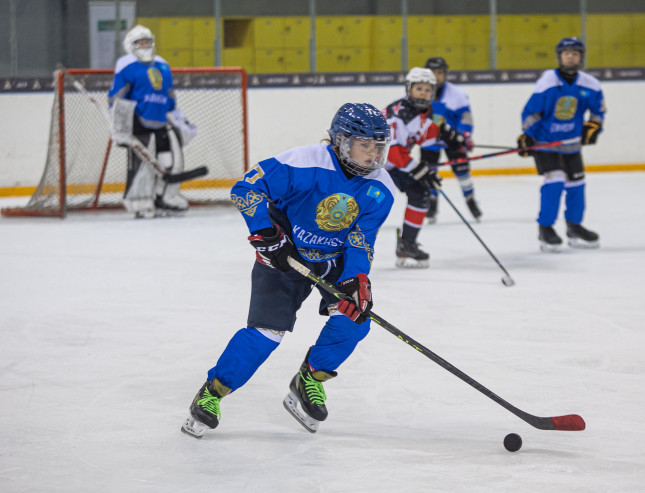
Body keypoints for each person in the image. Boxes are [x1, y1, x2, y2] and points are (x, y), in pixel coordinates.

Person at [181, 103, 394, 437]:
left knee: (354, 317)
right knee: (265, 335)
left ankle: (310, 377)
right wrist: (266, 235)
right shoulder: (303, 162)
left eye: (378, 145)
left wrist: (357, 277)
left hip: (332, 261)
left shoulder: (381, 188)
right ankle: (212, 393)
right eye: (364, 144)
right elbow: (246, 189)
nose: (373, 153)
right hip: (283, 254)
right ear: (340, 140)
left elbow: (360, 239)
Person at [517, 37, 605, 252]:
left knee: (577, 185)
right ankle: (545, 228)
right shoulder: (547, 81)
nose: (571, 56)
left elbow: (598, 111)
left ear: (581, 57)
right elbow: (530, 112)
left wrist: (594, 126)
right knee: (555, 182)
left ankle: (574, 226)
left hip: (571, 144)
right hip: (545, 143)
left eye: (575, 53)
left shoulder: (590, 84)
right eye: (567, 53)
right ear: (560, 57)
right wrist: (528, 135)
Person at [108, 25, 196, 218]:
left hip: (162, 122)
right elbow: (118, 97)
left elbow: (170, 95)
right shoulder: (127, 65)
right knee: (142, 166)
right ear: (131, 45)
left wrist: (178, 119)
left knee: (169, 161)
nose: (145, 45)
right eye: (140, 42)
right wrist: (119, 124)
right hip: (138, 123)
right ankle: (139, 202)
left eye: (147, 41)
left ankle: (163, 197)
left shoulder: (163, 65)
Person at [384, 67, 467, 268]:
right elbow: (393, 150)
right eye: (419, 88)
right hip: (375, 166)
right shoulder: (398, 113)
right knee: (368, 206)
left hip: (393, 165)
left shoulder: (423, 110)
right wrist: (419, 169)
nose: (423, 93)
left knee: (420, 193)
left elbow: (421, 133)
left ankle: (407, 244)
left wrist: (445, 135)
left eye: (428, 89)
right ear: (409, 89)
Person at [421, 57, 481, 223]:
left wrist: (465, 135)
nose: (436, 76)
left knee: (462, 172)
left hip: (453, 138)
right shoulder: (418, 92)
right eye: (432, 73)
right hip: (429, 140)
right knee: (429, 174)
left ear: (445, 74)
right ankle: (431, 203)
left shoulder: (457, 94)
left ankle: (470, 199)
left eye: (439, 73)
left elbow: (466, 117)